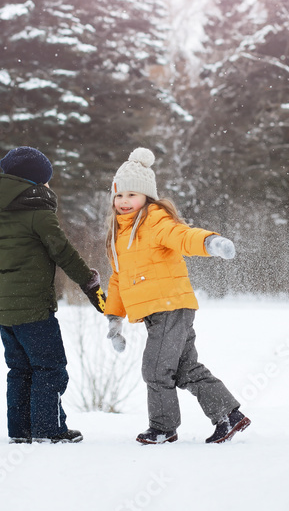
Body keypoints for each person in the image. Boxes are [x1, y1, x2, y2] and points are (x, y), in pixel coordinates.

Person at [101, 147, 249, 445]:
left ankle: (163, 427)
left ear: (147, 197)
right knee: (185, 369)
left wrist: (209, 242)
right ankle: (229, 415)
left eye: (132, 195)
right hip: (157, 312)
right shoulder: (118, 235)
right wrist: (114, 319)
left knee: (155, 368)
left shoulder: (155, 221)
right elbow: (118, 278)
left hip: (170, 306)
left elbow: (182, 236)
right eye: (119, 195)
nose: (124, 201)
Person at [0, 146, 105, 444]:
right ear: (36, 182)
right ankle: (48, 429)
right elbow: (64, 252)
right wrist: (90, 284)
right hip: (33, 308)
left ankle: (21, 430)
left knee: (20, 369)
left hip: (6, 309)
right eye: (46, 180)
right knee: (49, 367)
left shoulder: (2, 214)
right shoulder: (38, 215)